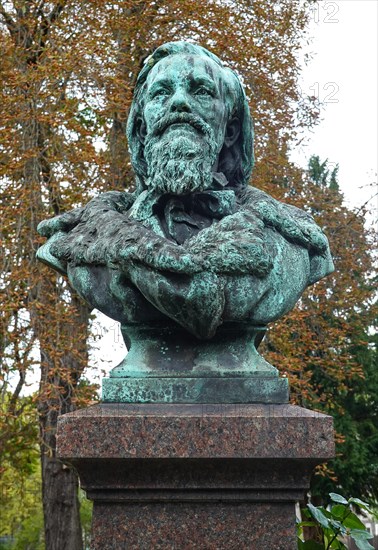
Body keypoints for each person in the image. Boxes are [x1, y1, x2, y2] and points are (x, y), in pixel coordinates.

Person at [37, 42, 333, 340]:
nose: (179, 102)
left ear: (229, 130)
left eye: (201, 91)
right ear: (142, 129)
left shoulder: (289, 241)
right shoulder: (82, 241)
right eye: (161, 92)